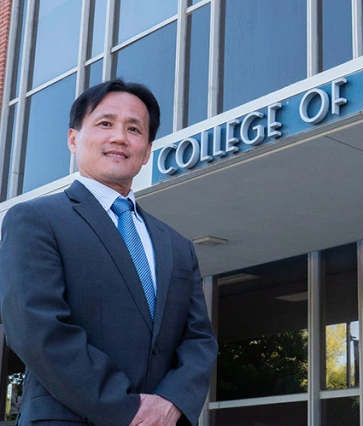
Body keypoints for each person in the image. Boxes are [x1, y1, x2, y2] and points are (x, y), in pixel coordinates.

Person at [0, 79, 218, 426]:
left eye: (134, 129)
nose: (119, 137)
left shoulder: (177, 245)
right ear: (73, 138)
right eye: (105, 123)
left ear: (147, 150)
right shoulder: (35, 220)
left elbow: (199, 340)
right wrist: (127, 408)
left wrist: (171, 402)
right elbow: (37, 329)